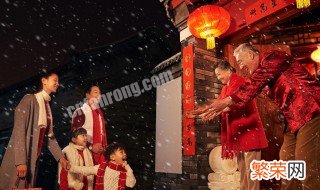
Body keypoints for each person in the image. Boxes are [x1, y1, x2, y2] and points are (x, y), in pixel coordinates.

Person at [197, 43, 320, 190]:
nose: (240, 66)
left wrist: (227, 101)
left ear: (250, 55)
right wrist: (215, 109)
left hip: (311, 110)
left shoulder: (274, 57)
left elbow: (253, 84)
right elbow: (243, 98)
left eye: (241, 61)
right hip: (292, 121)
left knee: (305, 161)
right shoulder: (258, 78)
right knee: (287, 160)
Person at [0, 72, 69, 189]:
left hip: (33, 157)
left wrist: (61, 157)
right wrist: (21, 161)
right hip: (20, 157)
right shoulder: (29, 99)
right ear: (44, 81)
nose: (58, 83)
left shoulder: (46, 105)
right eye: (55, 80)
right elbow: (19, 130)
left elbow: (48, 137)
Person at [212, 61, 268, 190]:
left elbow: (235, 104)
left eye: (219, 74)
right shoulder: (225, 87)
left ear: (228, 70)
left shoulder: (240, 81)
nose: (218, 77)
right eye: (217, 75)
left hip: (249, 130)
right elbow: (220, 105)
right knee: (243, 170)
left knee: (252, 172)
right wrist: (209, 112)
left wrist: (214, 111)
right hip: (239, 133)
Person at [69, 142, 136, 190]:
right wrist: (70, 167)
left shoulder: (124, 171)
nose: (125, 154)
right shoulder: (102, 168)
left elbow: (131, 184)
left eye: (124, 152)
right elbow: (84, 170)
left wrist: (128, 168)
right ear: (112, 157)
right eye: (121, 152)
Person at [71, 85, 107, 165]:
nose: (99, 95)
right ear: (87, 95)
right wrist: (91, 146)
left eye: (100, 93)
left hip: (100, 154)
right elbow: (75, 135)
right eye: (95, 92)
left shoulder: (99, 114)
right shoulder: (80, 111)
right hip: (83, 155)